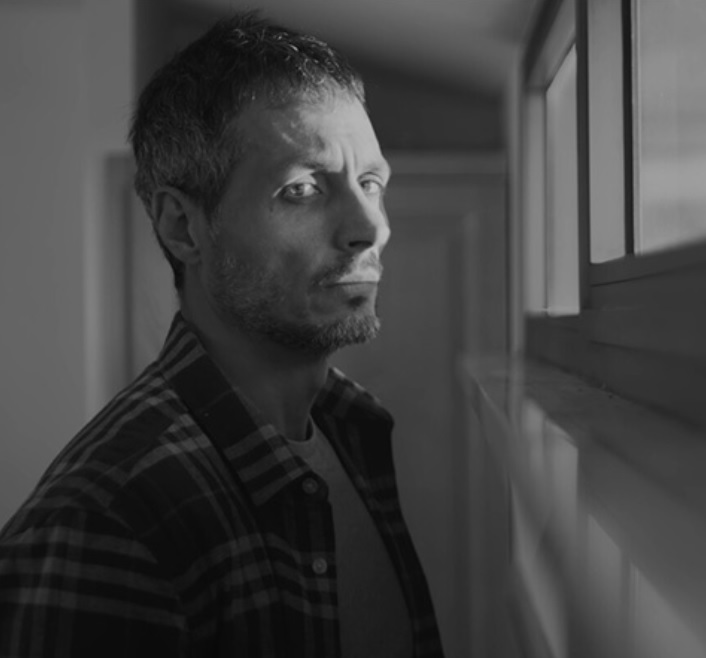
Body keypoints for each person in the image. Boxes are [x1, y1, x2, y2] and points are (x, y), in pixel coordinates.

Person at [0, 12, 442, 657]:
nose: (369, 227)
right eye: (302, 189)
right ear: (183, 228)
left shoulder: (353, 429)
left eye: (371, 183)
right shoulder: (105, 522)